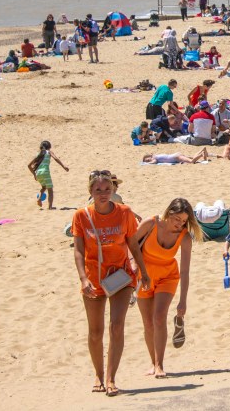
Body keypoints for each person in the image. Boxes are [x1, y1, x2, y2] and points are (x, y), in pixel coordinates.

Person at [72, 170, 150, 397]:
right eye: (98, 190)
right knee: (95, 332)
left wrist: (143, 271)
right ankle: (98, 373)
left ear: (114, 190)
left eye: (108, 189)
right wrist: (83, 278)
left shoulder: (124, 213)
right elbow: (78, 250)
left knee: (117, 326)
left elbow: (133, 245)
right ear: (90, 191)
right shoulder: (81, 216)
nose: (103, 194)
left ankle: (111, 378)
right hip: (93, 279)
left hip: (121, 276)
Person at [133, 198, 200, 378]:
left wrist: (183, 301)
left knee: (159, 316)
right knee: (148, 322)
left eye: (184, 221)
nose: (180, 224)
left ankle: (160, 365)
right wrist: (134, 267)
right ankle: (152, 362)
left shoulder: (184, 237)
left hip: (168, 276)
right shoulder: (151, 223)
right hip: (144, 276)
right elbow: (130, 245)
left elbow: (185, 271)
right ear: (168, 212)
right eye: (177, 219)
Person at [28, 140, 69, 210]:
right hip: (45, 172)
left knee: (44, 187)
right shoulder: (49, 152)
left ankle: (39, 199)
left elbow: (29, 165)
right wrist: (63, 166)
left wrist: (34, 174)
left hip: (38, 173)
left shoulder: (38, 154)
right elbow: (56, 158)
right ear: (49, 147)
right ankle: (50, 207)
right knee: (50, 190)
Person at [141, 149, 209, 164]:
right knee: (192, 158)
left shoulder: (154, 157)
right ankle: (202, 150)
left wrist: (147, 163)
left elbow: (154, 162)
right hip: (176, 155)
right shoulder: (155, 155)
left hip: (176, 157)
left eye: (147, 159)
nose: (148, 160)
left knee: (191, 161)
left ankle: (201, 154)